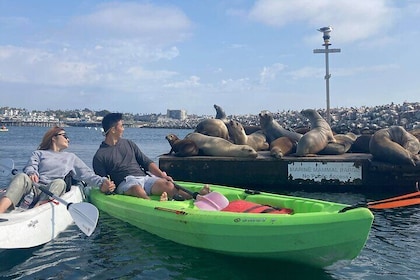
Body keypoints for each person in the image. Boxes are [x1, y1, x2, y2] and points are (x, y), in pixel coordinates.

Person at [93, 113, 209, 201]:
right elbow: (102, 182)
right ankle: (153, 206)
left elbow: (146, 163)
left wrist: (162, 175)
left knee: (167, 184)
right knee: (137, 190)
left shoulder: (128, 143)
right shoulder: (100, 156)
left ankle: (196, 196)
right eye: (121, 126)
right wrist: (106, 187)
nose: (123, 129)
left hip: (144, 178)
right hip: (126, 183)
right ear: (113, 130)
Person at [0, 126, 116, 213]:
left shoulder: (71, 157)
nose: (68, 139)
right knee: (21, 176)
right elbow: (31, 165)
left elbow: (87, 175)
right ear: (53, 138)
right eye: (65, 136)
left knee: (60, 182)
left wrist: (102, 182)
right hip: (34, 187)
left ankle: (35, 212)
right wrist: (31, 172)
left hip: (52, 189)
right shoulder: (39, 153)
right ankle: (2, 210)